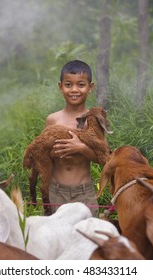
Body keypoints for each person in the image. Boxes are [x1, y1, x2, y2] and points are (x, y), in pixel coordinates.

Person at [45, 60, 108, 217]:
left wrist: (81, 148)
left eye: (80, 85)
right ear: (61, 87)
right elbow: (43, 151)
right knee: (56, 238)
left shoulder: (93, 120)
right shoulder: (53, 120)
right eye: (68, 85)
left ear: (90, 87)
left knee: (88, 237)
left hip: (84, 192)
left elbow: (104, 157)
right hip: (56, 192)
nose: (74, 90)